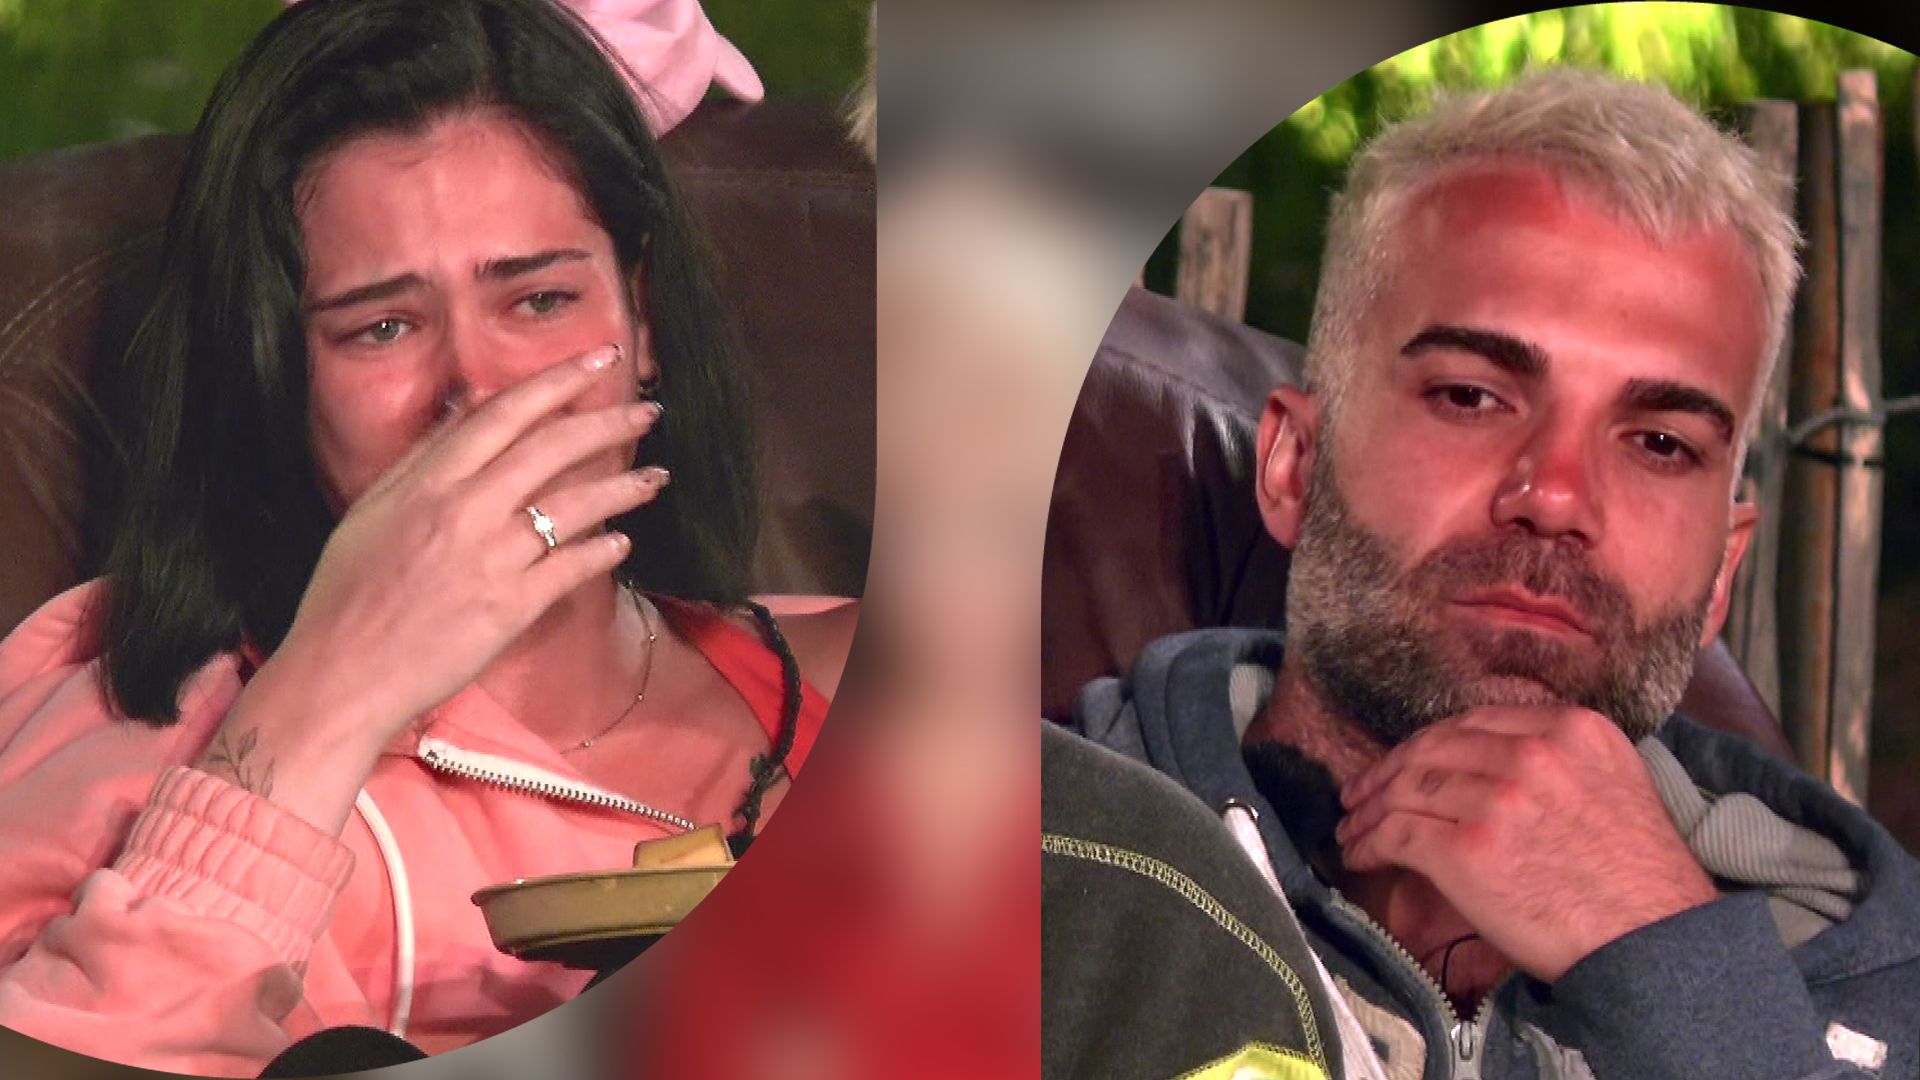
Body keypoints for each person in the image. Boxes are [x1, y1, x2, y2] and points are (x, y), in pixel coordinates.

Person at [0, 0, 857, 1073]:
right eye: (384, 326)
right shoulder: (134, 725)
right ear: (276, 373)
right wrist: (332, 691)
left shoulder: (838, 667)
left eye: (538, 300)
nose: (474, 386)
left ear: (641, 319)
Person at [1061, 68, 1920, 1079]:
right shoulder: (1040, 873)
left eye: (1660, 443)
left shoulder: (1884, 987)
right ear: (1294, 466)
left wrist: (1669, 964)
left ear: (1722, 571)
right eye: (1471, 397)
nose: (1555, 495)